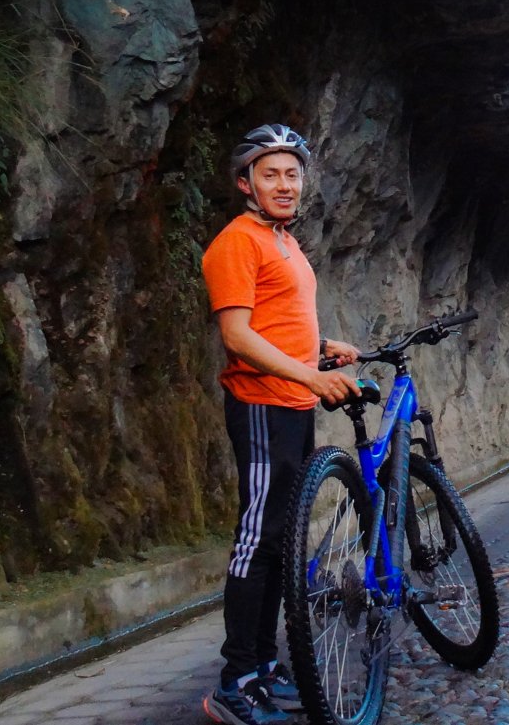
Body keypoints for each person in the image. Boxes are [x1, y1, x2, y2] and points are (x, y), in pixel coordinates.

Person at [200, 124, 363, 725]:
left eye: (292, 173)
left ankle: (264, 669)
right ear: (246, 183)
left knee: (280, 542)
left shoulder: (284, 242)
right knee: (258, 541)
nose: (284, 183)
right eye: (270, 173)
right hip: (263, 405)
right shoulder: (236, 242)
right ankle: (233, 682)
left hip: (292, 403)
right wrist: (309, 377)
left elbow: (279, 322)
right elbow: (238, 335)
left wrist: (322, 348)